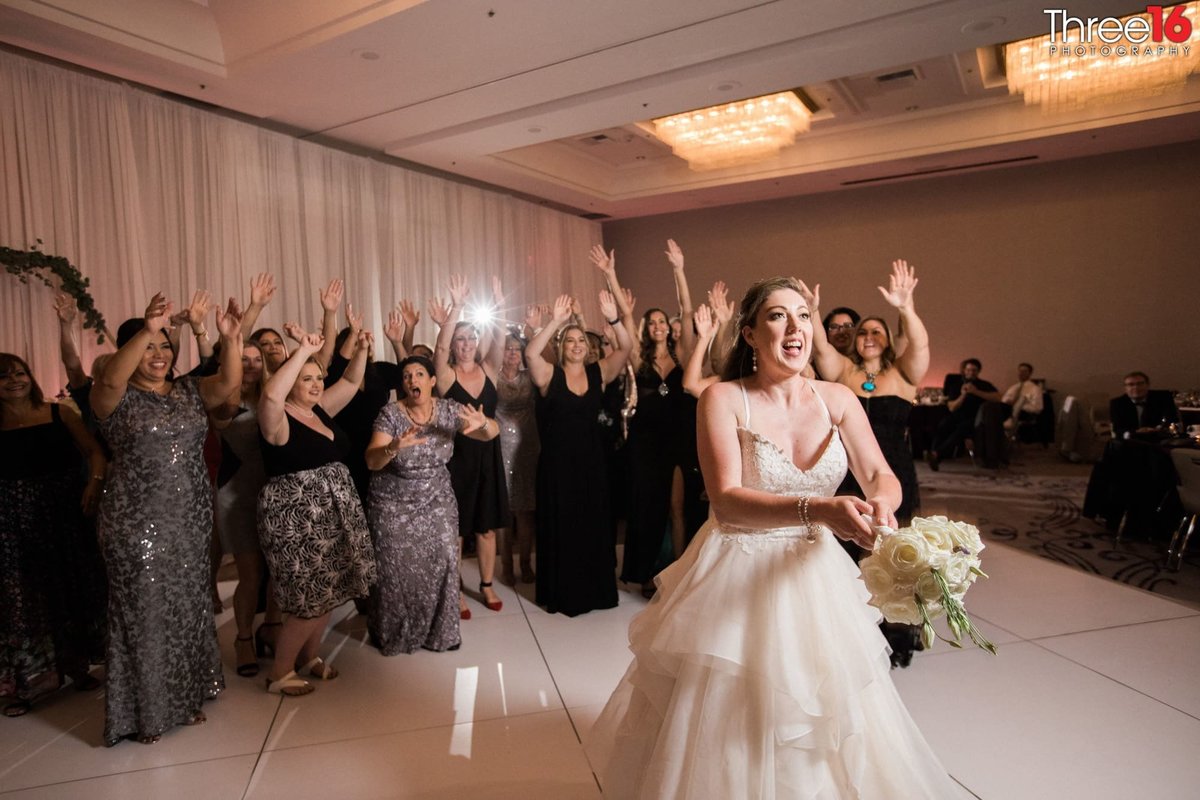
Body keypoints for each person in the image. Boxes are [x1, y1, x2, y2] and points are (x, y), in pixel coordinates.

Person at [588, 277, 958, 798]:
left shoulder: (839, 398)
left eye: (804, 315)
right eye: (778, 315)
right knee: (733, 712)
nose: (796, 326)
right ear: (750, 334)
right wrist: (820, 509)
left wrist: (883, 507)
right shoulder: (722, 399)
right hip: (737, 568)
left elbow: (880, 474)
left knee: (819, 707)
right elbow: (726, 498)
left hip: (816, 575)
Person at [90, 293, 244, 745]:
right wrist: (149, 327)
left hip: (191, 516)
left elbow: (230, 383)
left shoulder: (189, 391)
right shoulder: (111, 397)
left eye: (164, 347)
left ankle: (188, 694)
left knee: (188, 606)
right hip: (135, 523)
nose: (159, 355)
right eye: (149, 347)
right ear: (131, 350)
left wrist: (231, 340)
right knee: (144, 612)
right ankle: (146, 711)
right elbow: (115, 376)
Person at [256, 328, 378, 696]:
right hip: (296, 520)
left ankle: (309, 658)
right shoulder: (276, 417)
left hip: (332, 517)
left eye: (317, 378)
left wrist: (362, 346)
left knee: (328, 592)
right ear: (291, 380)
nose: (314, 384)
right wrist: (303, 352)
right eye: (305, 379)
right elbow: (271, 394)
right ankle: (279, 673)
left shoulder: (319, 409)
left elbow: (353, 379)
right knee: (306, 598)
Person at [364, 355, 499, 654]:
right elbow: (372, 461)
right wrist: (393, 446)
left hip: (436, 497)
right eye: (408, 376)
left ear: (432, 381)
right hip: (391, 503)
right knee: (394, 569)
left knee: (444, 560)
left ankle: (441, 633)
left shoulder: (449, 410)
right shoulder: (390, 415)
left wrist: (485, 424)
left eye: (420, 374)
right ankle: (396, 633)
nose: (413, 380)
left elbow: (492, 432)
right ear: (403, 385)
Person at [1, 353, 107, 717]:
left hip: (62, 511)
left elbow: (95, 452)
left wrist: (93, 485)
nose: (14, 380)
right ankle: (24, 682)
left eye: (19, 373)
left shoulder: (57, 413)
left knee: (69, 586)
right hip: (11, 521)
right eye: (4, 377)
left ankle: (77, 668)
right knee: (22, 600)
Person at [593, 241, 696, 597]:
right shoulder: (638, 359)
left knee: (677, 507)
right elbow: (625, 318)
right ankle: (646, 571)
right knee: (646, 507)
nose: (656, 325)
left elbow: (686, 306)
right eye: (651, 322)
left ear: (670, 328)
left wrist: (679, 269)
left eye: (661, 321)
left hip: (678, 441)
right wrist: (610, 274)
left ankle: (678, 575)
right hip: (644, 444)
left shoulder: (683, 355)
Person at [525, 291, 632, 616]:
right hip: (557, 467)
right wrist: (556, 320)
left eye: (580, 340)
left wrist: (614, 318)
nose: (576, 344)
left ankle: (595, 591)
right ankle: (562, 593)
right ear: (561, 346)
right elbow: (530, 352)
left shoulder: (600, 372)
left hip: (591, 465)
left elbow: (626, 348)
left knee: (592, 526)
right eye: (569, 340)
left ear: (587, 347)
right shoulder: (548, 375)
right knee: (562, 527)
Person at [806, 260, 930, 523]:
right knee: (846, 537)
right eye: (862, 332)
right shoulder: (845, 370)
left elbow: (920, 345)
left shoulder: (902, 373)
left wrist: (906, 308)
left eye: (877, 332)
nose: (869, 336)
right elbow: (821, 349)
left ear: (888, 339)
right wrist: (813, 311)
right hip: (846, 467)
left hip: (893, 465)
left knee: (889, 539)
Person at [430, 275, 509, 617]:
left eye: (470, 338)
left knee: (487, 526)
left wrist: (499, 304)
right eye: (460, 339)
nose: (465, 344)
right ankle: (457, 588)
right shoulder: (447, 376)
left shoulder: (489, 370)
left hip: (487, 455)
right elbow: (439, 349)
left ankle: (487, 585)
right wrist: (457, 307)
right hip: (458, 457)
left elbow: (502, 339)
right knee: (460, 527)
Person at [213, 340, 280, 678]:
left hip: (274, 491)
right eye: (244, 359)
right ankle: (242, 640)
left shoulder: (274, 395)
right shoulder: (224, 401)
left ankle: (270, 627)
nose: (252, 364)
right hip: (236, 494)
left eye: (257, 359)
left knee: (278, 571)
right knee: (251, 573)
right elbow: (223, 418)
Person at [494, 325, 540, 586]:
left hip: (527, 445)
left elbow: (550, 364)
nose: (512, 353)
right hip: (500, 445)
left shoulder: (529, 376)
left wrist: (532, 332)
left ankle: (525, 563)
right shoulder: (493, 375)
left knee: (525, 509)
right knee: (504, 509)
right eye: (507, 348)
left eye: (516, 349)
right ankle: (507, 565)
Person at [925, 358, 998, 470]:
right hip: (957, 415)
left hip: (975, 418)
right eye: (968, 370)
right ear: (964, 371)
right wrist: (963, 395)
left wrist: (976, 392)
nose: (971, 373)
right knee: (943, 425)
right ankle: (935, 454)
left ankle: (936, 455)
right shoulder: (956, 385)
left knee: (961, 430)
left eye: (974, 370)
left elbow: (998, 397)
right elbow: (952, 407)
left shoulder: (984, 385)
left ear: (978, 372)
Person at [1109, 371, 1179, 438]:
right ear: (1125, 388)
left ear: (1148, 385)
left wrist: (1157, 429)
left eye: (1140, 384)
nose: (1136, 387)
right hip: (1130, 442)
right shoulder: (1117, 403)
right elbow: (1117, 429)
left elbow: (1172, 420)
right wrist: (1136, 432)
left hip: (1158, 440)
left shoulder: (1163, 398)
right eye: (1131, 384)